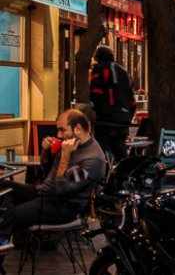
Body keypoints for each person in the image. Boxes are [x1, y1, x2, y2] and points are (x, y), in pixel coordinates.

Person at [0, 110, 106, 261]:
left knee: (9, 214)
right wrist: (46, 152)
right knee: (4, 188)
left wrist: (64, 156)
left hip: (63, 207)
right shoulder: (71, 145)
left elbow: (59, 188)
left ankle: (3, 241)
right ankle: (9, 235)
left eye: (62, 130)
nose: (59, 135)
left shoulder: (93, 159)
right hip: (45, 193)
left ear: (77, 129)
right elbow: (46, 176)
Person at [89, 45, 135, 161]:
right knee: (120, 150)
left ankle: (103, 174)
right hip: (123, 119)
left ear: (98, 57)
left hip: (106, 119)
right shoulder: (123, 71)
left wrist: (95, 110)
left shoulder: (99, 69)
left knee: (101, 150)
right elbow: (131, 97)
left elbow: (96, 93)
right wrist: (129, 116)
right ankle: (124, 174)